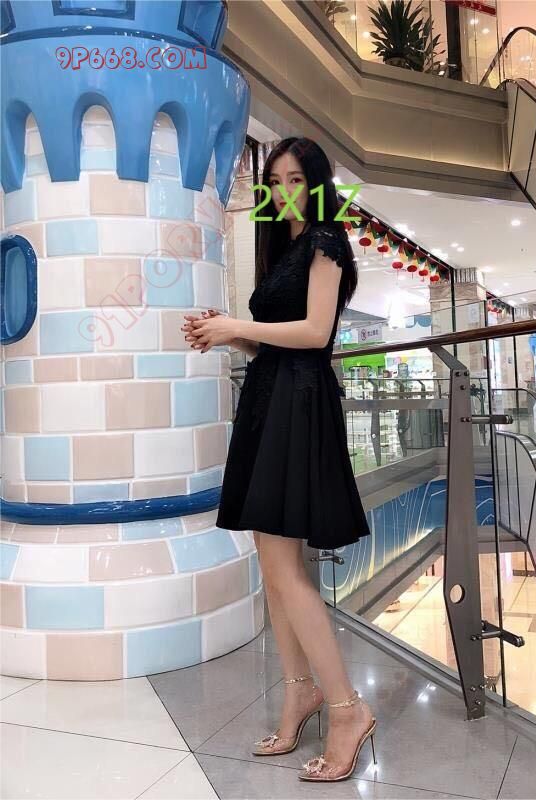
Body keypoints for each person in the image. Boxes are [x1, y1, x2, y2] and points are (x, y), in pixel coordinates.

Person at [181, 137, 377, 783]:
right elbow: (276, 340)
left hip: (298, 403)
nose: (283, 190)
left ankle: (346, 708)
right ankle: (301, 691)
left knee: (284, 568)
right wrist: (227, 333)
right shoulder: (283, 248)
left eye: (295, 179)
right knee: (273, 565)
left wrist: (238, 326)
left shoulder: (325, 240)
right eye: (274, 180)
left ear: (316, 183)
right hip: (272, 400)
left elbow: (316, 334)